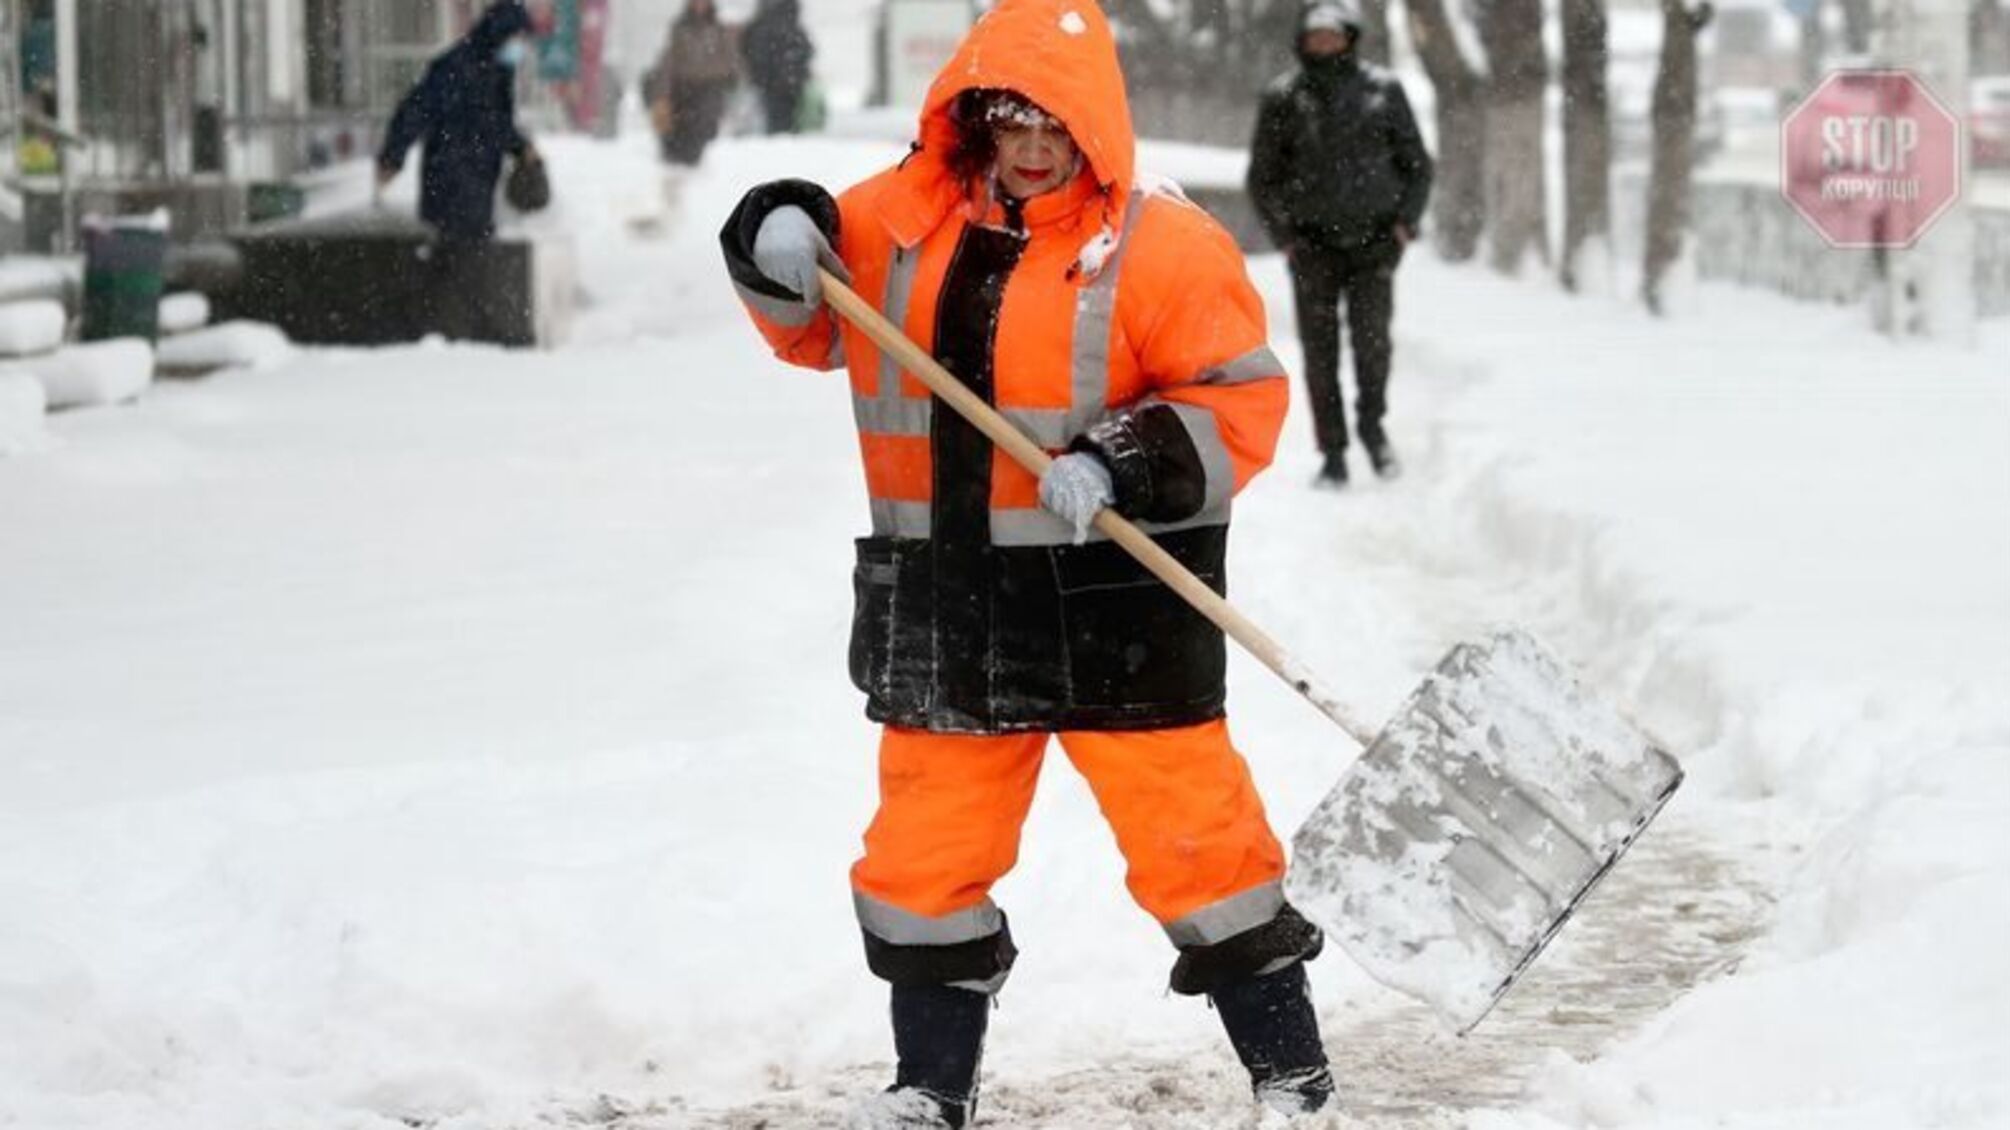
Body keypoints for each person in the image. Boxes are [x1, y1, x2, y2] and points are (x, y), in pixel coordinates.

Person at [719, 2, 1330, 1125]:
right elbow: (805, 318)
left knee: (1202, 845)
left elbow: (1242, 402)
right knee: (921, 861)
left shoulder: (1165, 246)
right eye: (1011, 120)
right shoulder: (894, 230)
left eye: (1058, 124)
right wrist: (768, 231)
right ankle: (929, 1087)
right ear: (973, 121)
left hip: (1119, 604)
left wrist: (1121, 457)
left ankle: (1290, 1070)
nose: (1036, 146)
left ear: (1094, 126)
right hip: (947, 604)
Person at [1247, 0, 1433, 487]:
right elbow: (1262, 178)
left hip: (1375, 247)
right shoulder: (1284, 97)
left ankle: (1373, 429)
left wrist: (1404, 227)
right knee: (1319, 354)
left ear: (1351, 37)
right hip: (1312, 251)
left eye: (1334, 35)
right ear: (1303, 41)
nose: (1325, 44)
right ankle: (1333, 453)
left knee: (1374, 348)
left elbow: (1418, 166)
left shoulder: (1384, 91)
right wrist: (1286, 237)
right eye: (1316, 36)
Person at [376, 1, 539, 339]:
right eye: (518, 39)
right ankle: (451, 331)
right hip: (452, 176)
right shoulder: (458, 66)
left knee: (458, 258)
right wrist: (393, 156)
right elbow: (416, 110)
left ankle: (448, 328)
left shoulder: (492, 67)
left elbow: (494, 123)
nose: (521, 48)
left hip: (473, 177)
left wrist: (520, 147)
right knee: (460, 258)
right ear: (502, 34)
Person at [647, 0, 739, 166]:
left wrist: (711, 73)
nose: (699, 4)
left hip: (709, 90)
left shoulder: (719, 29)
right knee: (678, 130)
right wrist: (662, 93)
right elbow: (670, 61)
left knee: (702, 127)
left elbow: (730, 63)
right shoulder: (680, 28)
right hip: (683, 89)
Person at [738, 0, 813, 135]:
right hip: (779, 81)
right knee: (780, 119)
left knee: (779, 119)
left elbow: (748, 49)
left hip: (781, 81)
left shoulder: (765, 25)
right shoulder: (787, 26)